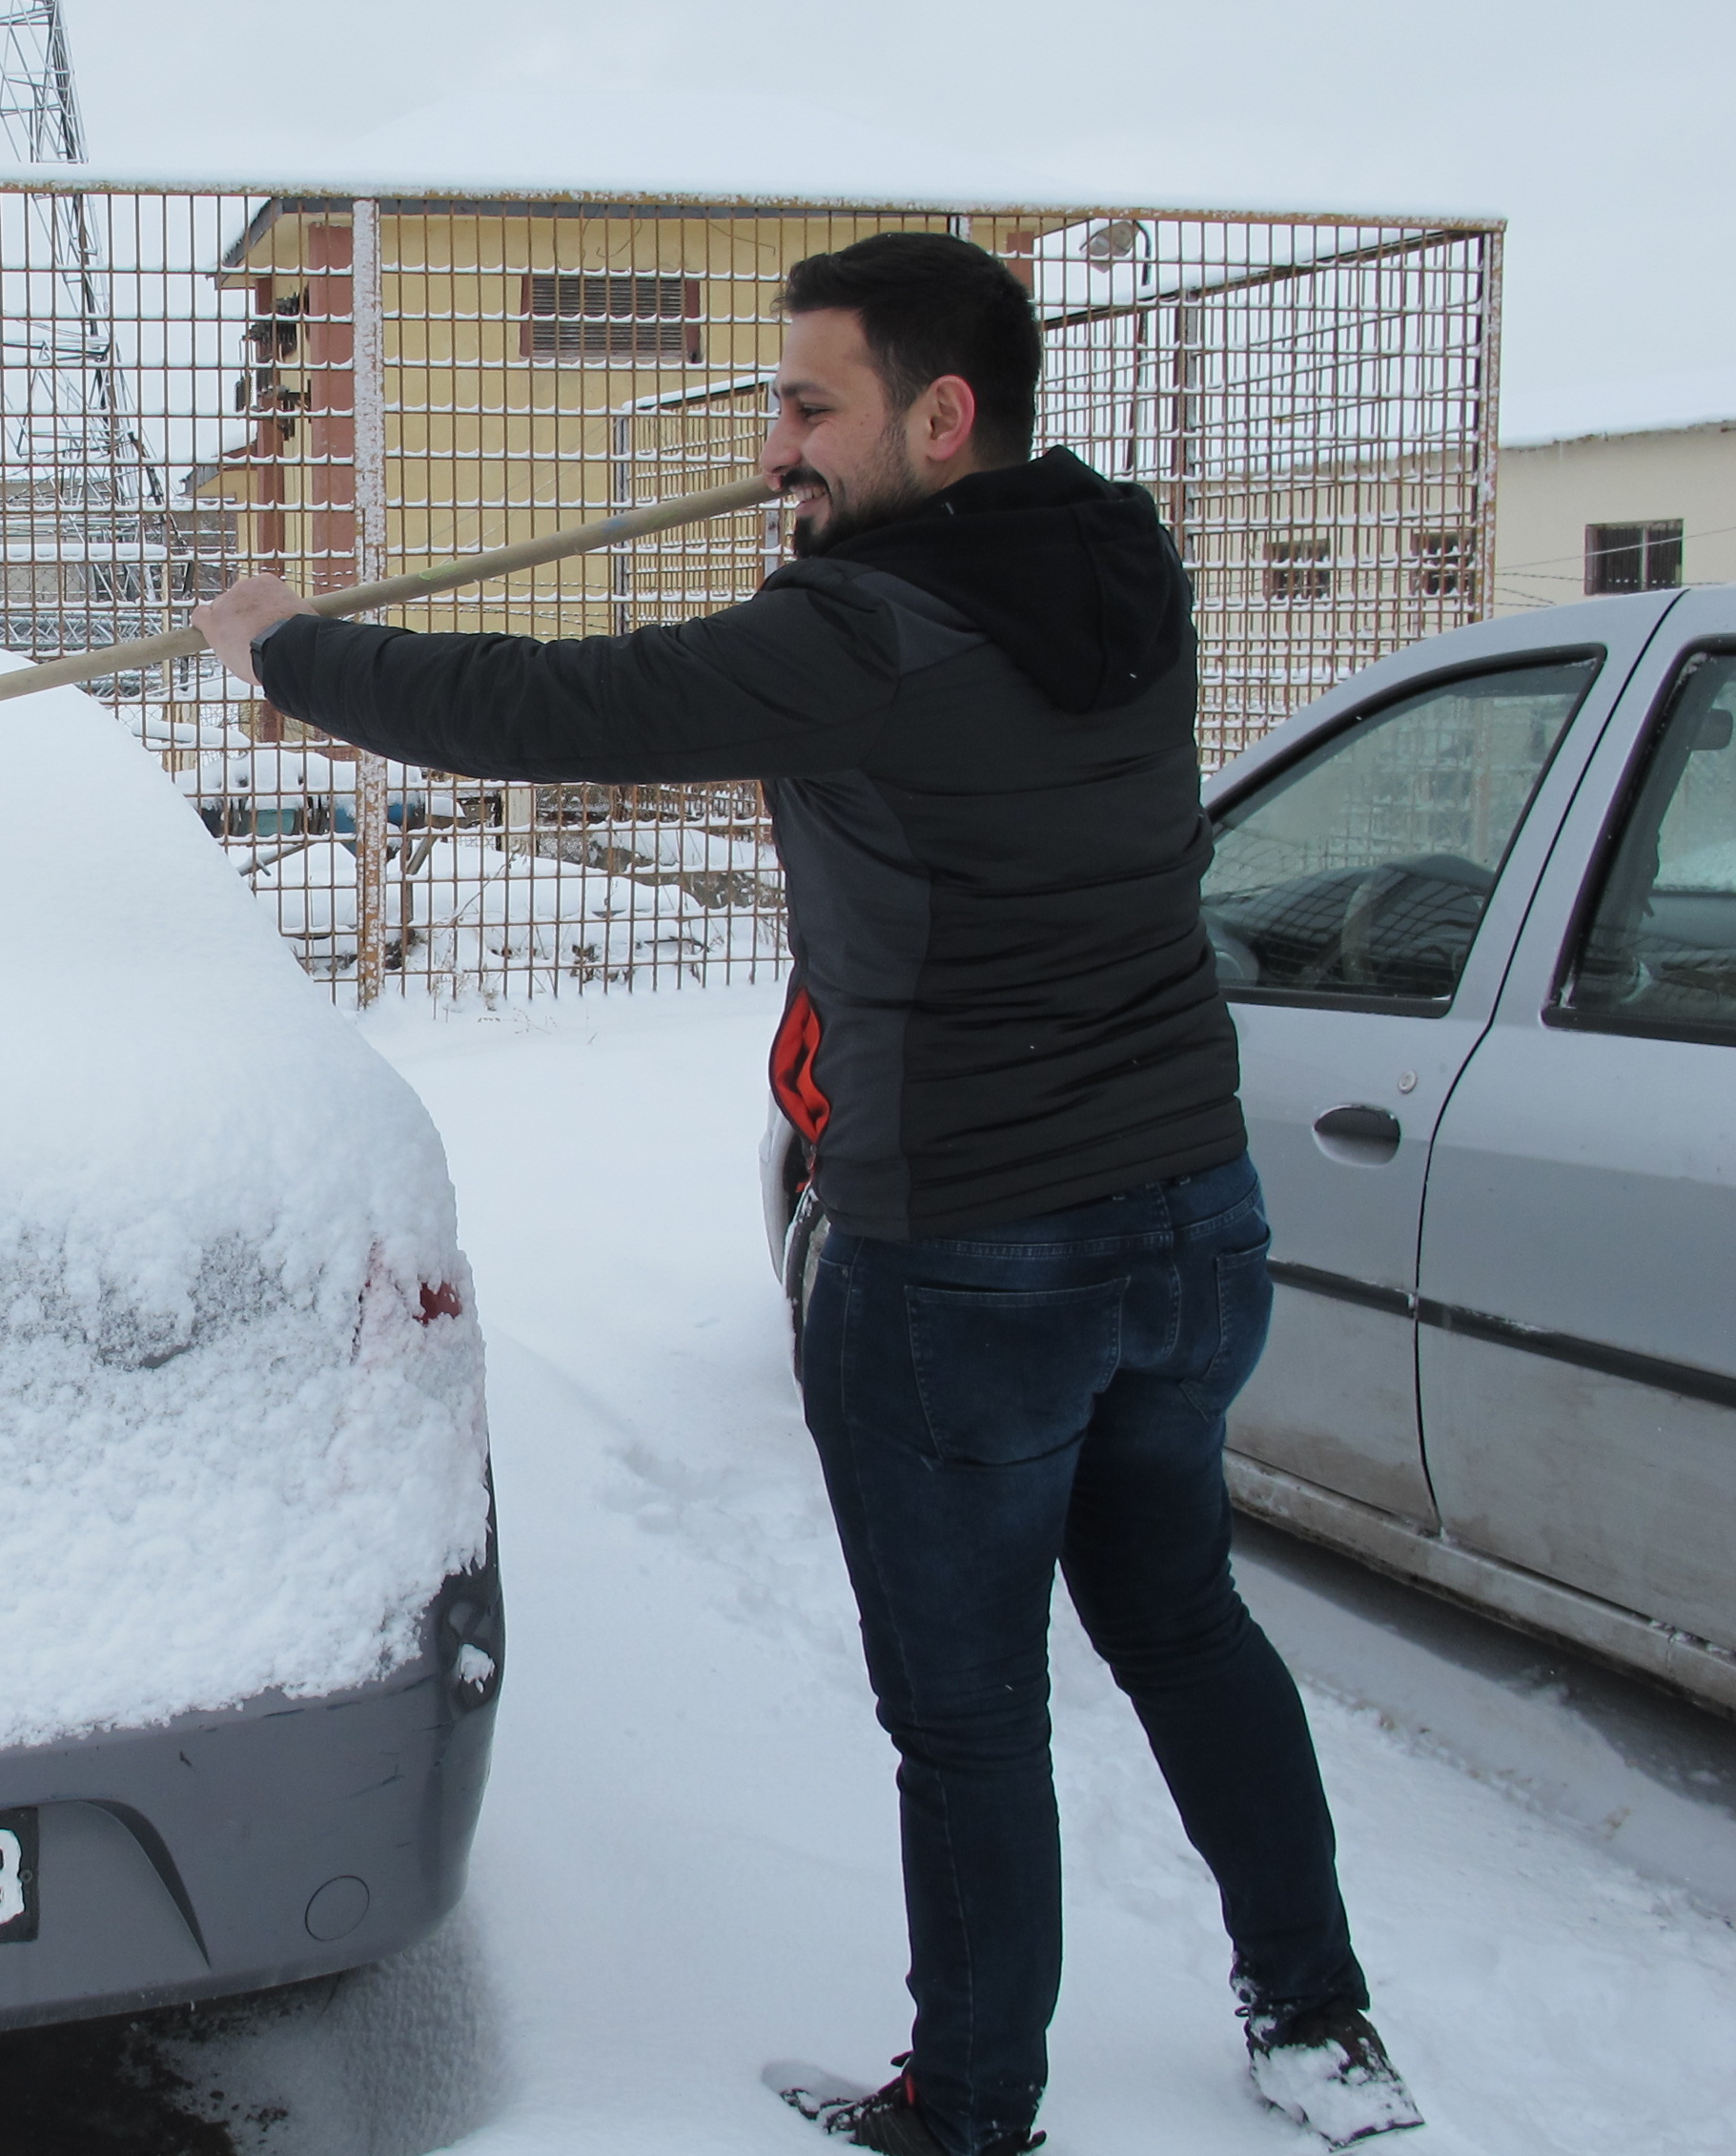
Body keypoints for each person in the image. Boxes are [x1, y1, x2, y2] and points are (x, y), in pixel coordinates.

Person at [189, 234, 1422, 2156]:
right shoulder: (1119, 562)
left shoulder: (866, 644)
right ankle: (1319, 2018)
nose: (775, 449)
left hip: (968, 1265)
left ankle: (975, 2107)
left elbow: (562, 711)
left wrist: (292, 650)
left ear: (943, 416)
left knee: (970, 1708)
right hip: (1187, 1221)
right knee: (1182, 1617)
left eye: (811, 407)